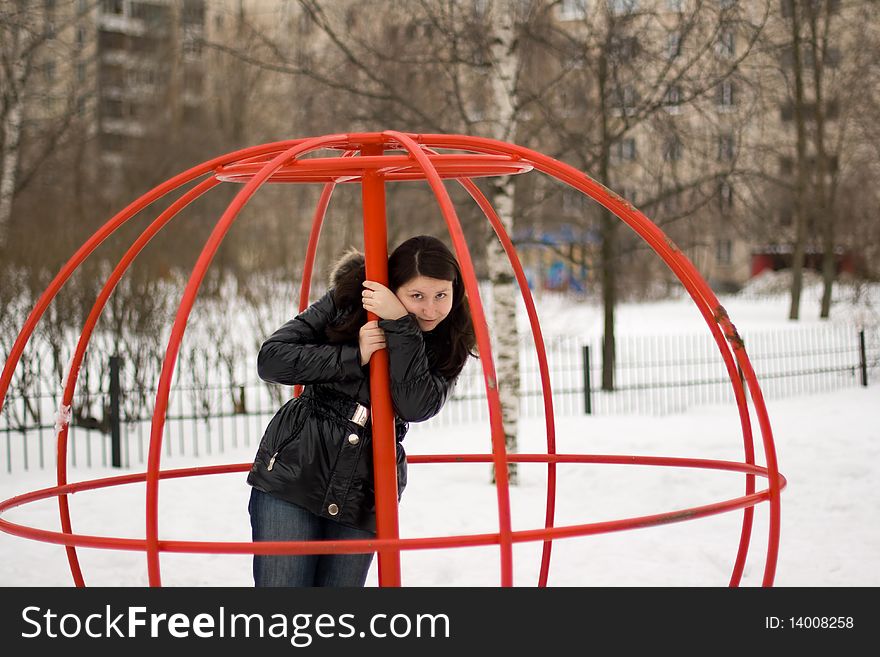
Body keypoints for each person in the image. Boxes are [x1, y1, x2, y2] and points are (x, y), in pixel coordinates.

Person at [247, 235, 476, 587]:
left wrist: (401, 323)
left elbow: (416, 405)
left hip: (366, 487)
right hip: (296, 469)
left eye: (441, 295)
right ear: (390, 287)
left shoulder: (452, 336)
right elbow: (271, 360)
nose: (431, 309)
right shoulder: (349, 298)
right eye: (417, 296)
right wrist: (354, 355)